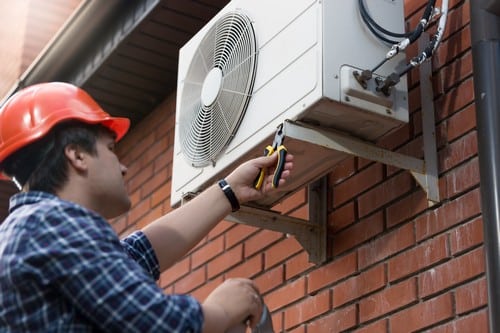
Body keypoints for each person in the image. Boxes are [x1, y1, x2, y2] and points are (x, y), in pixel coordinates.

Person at [0, 82, 294, 332]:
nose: (124, 167)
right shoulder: (54, 224)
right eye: (111, 149)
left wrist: (230, 191)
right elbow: (159, 324)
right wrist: (223, 309)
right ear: (77, 155)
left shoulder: (33, 229)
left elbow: (135, 255)